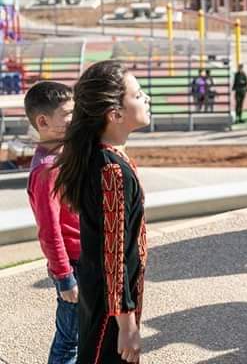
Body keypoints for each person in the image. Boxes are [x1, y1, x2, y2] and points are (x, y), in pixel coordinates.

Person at [53, 60, 151, 364]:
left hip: (109, 297)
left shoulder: (107, 157)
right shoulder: (111, 171)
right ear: (115, 114)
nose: (146, 98)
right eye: (138, 95)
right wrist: (127, 324)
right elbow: (113, 254)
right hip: (110, 306)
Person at [24, 81, 78, 364]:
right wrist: (65, 277)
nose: (75, 118)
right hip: (73, 265)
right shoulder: (47, 170)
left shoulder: (62, 153)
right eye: (68, 114)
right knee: (70, 341)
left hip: (84, 259)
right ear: (43, 122)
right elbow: (50, 232)